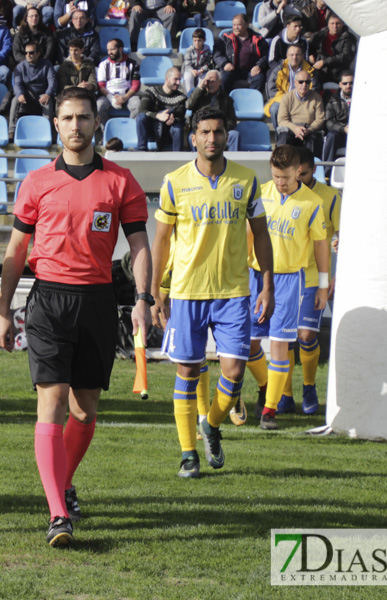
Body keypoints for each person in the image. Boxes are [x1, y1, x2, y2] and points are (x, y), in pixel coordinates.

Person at [0, 86, 152, 547]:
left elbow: (140, 245)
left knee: (84, 410)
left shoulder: (121, 181)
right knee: (53, 399)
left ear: (95, 123)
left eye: (84, 117)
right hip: (48, 301)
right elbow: (16, 250)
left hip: (99, 302)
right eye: (68, 118)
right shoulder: (37, 182)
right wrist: (4, 311)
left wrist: (143, 297)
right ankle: (57, 513)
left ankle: (62, 480)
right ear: (56, 125)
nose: (76, 125)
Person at [150, 106, 275, 478]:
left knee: (234, 372)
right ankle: (188, 454)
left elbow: (262, 235)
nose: (211, 138)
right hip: (187, 292)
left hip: (234, 291)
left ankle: (213, 424)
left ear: (226, 136)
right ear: (193, 137)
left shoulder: (247, 180)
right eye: (204, 132)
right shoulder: (174, 182)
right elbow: (161, 241)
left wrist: (266, 285)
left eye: (218, 132)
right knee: (188, 371)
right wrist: (157, 290)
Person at [247, 145, 329, 430]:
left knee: (280, 345)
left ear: (298, 171)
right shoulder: (260, 194)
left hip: (289, 280)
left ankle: (269, 410)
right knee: (248, 345)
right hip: (255, 276)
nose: (280, 183)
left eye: (285, 178)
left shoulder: (312, 202)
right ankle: (267, 386)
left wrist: (323, 284)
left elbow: (321, 245)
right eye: (276, 177)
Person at [289, 145, 340, 414]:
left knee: (306, 334)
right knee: (283, 338)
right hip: (282, 277)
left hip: (313, 278)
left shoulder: (330, 197)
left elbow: (344, 236)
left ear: (313, 169)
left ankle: (309, 387)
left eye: (304, 173)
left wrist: (334, 277)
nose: (298, 178)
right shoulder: (279, 192)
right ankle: (283, 395)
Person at [10, 41, 55, 138]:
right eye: (26, 53)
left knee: (48, 102)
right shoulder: (20, 67)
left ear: (38, 53)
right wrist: (20, 94)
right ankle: (12, 131)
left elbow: (52, 81)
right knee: (14, 100)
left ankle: (47, 131)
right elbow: (17, 84)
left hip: (42, 93)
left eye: (31, 52)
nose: (28, 55)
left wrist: (48, 94)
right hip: (27, 93)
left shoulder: (47, 65)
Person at [186, 70, 239, 151]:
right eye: (208, 81)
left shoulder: (227, 99)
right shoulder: (199, 95)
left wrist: (220, 127)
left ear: (220, 82)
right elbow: (188, 105)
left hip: (220, 130)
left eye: (213, 82)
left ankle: (231, 162)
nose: (210, 84)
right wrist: (200, 87)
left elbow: (232, 120)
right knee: (192, 137)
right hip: (203, 130)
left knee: (234, 135)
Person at [135, 66, 185, 151]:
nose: (178, 82)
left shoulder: (181, 97)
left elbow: (180, 117)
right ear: (167, 79)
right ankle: (142, 149)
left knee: (178, 128)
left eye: (179, 80)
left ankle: (178, 156)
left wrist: (173, 120)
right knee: (141, 117)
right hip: (151, 127)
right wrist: (158, 116)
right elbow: (142, 110)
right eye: (175, 79)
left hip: (167, 130)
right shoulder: (150, 92)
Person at [214, 13, 268, 93]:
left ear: (246, 24)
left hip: (251, 70)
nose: (236, 27)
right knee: (224, 78)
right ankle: (226, 102)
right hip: (232, 70)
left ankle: (250, 100)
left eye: (239, 25)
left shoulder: (258, 38)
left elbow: (266, 55)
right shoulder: (225, 38)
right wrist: (224, 63)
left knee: (259, 78)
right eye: (234, 25)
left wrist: (259, 65)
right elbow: (217, 54)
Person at [276, 70, 325, 153]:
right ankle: (282, 165)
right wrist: (295, 128)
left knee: (313, 140)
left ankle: (311, 165)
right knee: (284, 138)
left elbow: (320, 119)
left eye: (307, 82)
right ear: (295, 83)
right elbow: (282, 120)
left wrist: (309, 130)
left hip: (309, 130)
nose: (304, 85)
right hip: (291, 130)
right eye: (301, 82)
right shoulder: (287, 97)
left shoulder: (317, 97)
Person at [95, 37, 141, 124]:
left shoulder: (133, 64)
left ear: (120, 49)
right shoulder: (103, 64)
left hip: (128, 95)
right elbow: (101, 85)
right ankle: (106, 131)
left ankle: (131, 130)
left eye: (112, 49)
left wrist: (125, 97)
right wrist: (111, 98)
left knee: (138, 105)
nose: (110, 52)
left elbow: (136, 84)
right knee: (98, 106)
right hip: (108, 96)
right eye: (108, 50)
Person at [308, 13, 356, 85]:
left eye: (338, 23)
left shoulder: (348, 37)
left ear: (342, 24)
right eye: (332, 23)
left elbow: (346, 56)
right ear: (328, 24)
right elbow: (309, 47)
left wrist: (324, 62)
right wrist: (310, 54)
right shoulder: (320, 34)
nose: (335, 26)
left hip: (339, 70)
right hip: (321, 69)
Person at [322, 69, 351, 164]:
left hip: (357, 133)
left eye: (351, 83)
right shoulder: (332, 99)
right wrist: (343, 128)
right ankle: (326, 172)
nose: (348, 86)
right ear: (340, 84)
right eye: (345, 83)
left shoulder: (362, 99)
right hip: (340, 133)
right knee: (332, 135)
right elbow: (329, 122)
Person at [180, 28, 213, 94]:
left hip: (202, 70)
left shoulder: (207, 50)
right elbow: (187, 64)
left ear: (204, 40)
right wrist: (192, 70)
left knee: (203, 79)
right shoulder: (189, 50)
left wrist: (202, 69)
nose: (197, 43)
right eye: (195, 41)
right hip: (190, 70)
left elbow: (208, 63)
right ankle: (190, 95)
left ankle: (198, 95)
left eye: (199, 41)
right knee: (188, 78)